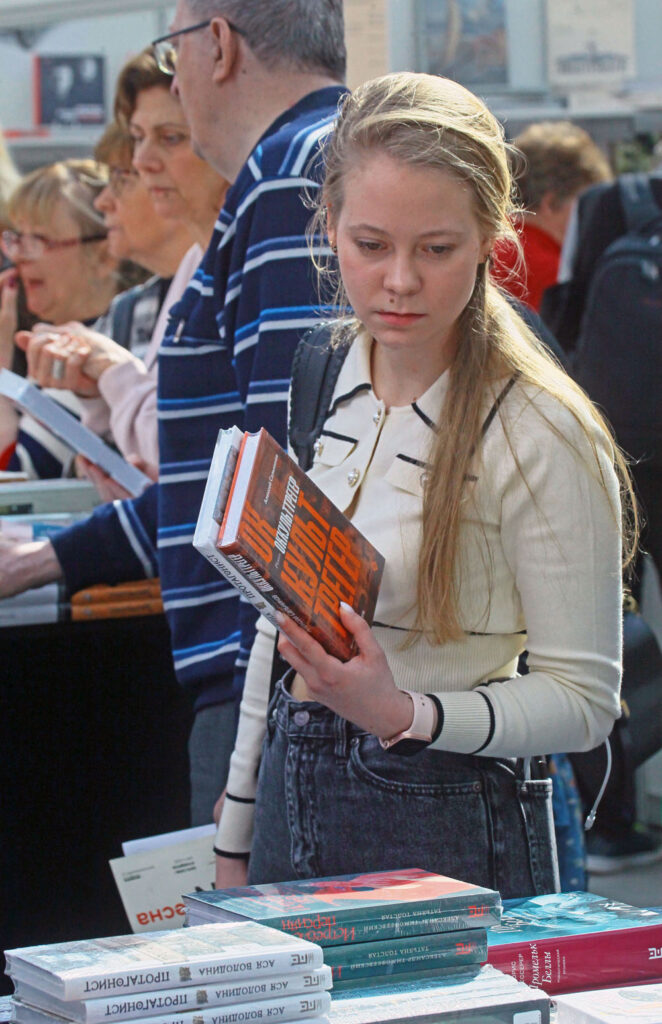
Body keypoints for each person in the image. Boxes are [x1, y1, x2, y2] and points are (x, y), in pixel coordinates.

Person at [213, 72, 636, 897]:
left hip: (452, 821)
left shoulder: (541, 427)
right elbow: (280, 626)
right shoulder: (322, 369)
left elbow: (584, 702)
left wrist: (405, 714)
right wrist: (233, 835)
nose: (400, 280)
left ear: (489, 236)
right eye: (371, 245)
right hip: (286, 807)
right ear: (328, 225)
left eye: (435, 249)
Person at [0, 0, 348, 827]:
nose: (147, 160)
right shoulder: (295, 170)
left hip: (277, 684)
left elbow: (281, 480)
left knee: (262, 946)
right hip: (278, 679)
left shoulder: (290, 175)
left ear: (217, 45)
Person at [17, 48, 227, 469]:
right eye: (137, 138)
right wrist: (98, 394)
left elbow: (185, 451)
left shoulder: (221, 268)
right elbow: (158, 463)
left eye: (170, 138)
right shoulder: (190, 271)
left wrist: (112, 371)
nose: (144, 162)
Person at [542, 171, 662, 875]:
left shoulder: (606, 209)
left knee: (605, 629)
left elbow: (564, 321)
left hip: (616, 455)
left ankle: (610, 820)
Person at [0, 159, 121, 476]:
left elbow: (19, 480)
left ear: (104, 255)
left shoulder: (88, 351)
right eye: (17, 238)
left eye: (38, 240)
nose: (19, 255)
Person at [491, 121, 611, 311]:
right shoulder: (554, 275)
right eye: (584, 204)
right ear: (550, 203)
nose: (594, 215)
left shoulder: (486, 241)